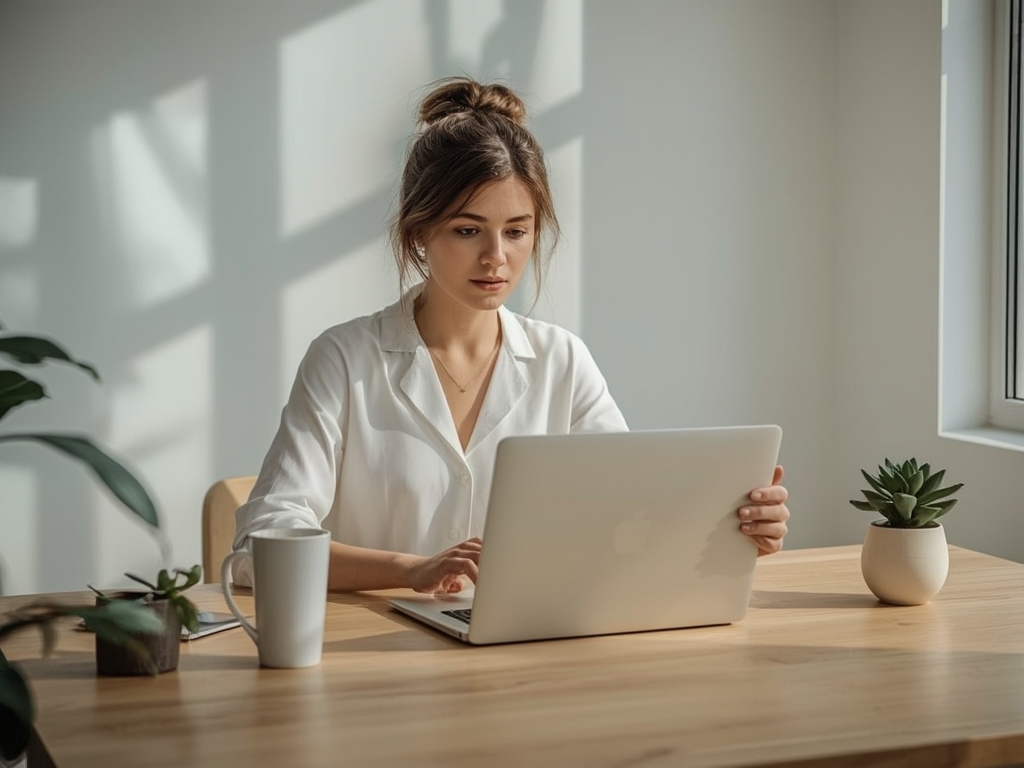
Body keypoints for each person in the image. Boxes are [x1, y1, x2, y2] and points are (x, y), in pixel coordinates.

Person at [232, 77, 790, 593]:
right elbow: (261, 547)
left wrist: (733, 532)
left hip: (523, 656)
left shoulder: (561, 360)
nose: (496, 258)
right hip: (381, 666)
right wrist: (412, 569)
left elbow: (627, 520)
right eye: (468, 230)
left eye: (516, 231)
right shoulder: (345, 359)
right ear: (419, 230)